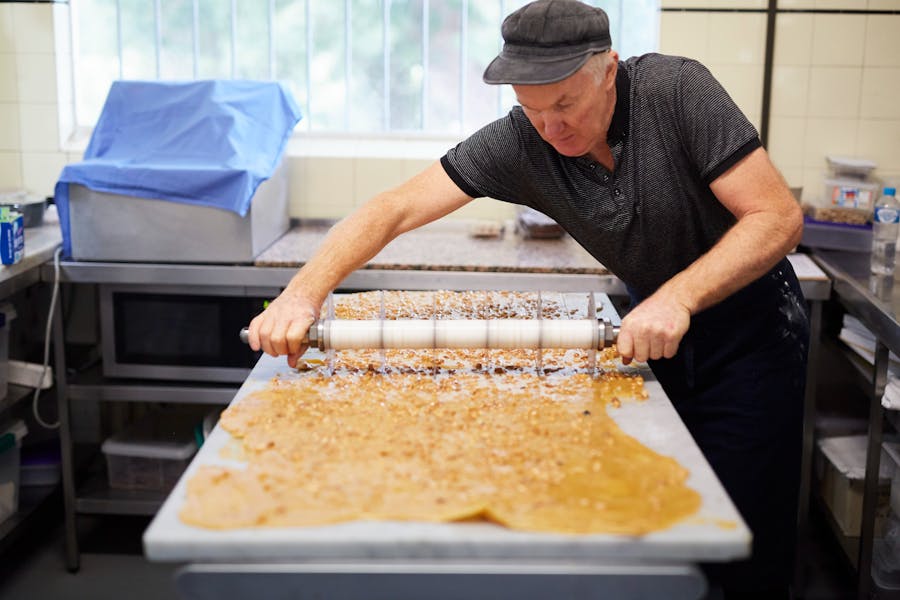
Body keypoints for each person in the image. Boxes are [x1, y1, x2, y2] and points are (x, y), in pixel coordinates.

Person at [248, 0, 809, 597]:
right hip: (649, 335)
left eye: (565, 104)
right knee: (647, 520)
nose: (550, 128)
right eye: (530, 109)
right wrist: (301, 294)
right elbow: (394, 208)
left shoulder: (677, 90)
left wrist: (679, 298)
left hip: (751, 335)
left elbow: (776, 216)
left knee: (739, 534)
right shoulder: (525, 140)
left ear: (609, 69)